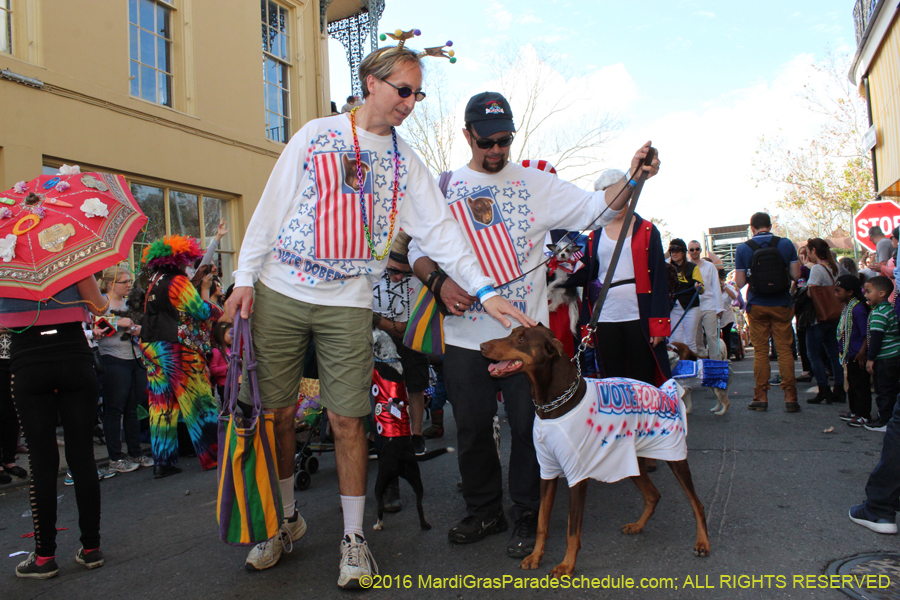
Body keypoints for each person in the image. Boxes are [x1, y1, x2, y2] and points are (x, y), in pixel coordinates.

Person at [225, 46, 533, 587]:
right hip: (281, 289)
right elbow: (271, 206)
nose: (411, 103)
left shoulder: (405, 162)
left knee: (348, 420)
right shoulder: (316, 135)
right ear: (372, 82)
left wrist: (485, 292)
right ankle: (284, 519)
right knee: (276, 416)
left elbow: (444, 236)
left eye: (418, 94)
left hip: (348, 300)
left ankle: (353, 539)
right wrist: (245, 279)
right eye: (403, 90)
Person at [408, 90, 659, 559]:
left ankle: (527, 511)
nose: (496, 150)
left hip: (527, 338)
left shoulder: (536, 183)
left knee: (530, 428)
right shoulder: (443, 187)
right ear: (467, 136)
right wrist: (440, 284)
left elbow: (600, 209)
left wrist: (632, 175)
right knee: (472, 427)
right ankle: (484, 509)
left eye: (504, 140)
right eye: (486, 142)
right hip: (466, 336)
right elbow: (417, 250)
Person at [1, 276, 111, 577]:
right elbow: (99, 306)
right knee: (82, 455)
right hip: (74, 357)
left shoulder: (6, 263)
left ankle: (44, 556)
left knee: (41, 460)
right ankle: (91, 548)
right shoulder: (70, 257)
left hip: (28, 360)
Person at [573, 183, 672, 386]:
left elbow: (659, 279)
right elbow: (587, 281)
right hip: (605, 315)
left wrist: (659, 325)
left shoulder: (647, 230)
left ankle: (645, 418)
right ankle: (620, 419)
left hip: (639, 313)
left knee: (643, 376)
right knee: (612, 377)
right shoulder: (594, 235)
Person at [140, 235, 221, 478]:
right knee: (198, 399)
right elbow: (199, 311)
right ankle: (214, 456)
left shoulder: (154, 281)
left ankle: (163, 461)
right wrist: (212, 305)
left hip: (150, 344)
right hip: (174, 346)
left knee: (161, 403)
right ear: (179, 260)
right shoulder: (177, 282)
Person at [734, 212, 800, 412]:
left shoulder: (744, 248)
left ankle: (761, 396)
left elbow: (740, 282)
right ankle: (790, 397)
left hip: (758, 305)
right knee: (785, 351)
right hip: (781, 303)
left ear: (752, 228)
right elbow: (796, 274)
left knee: (761, 352)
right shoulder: (786, 244)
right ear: (770, 226)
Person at [96, 263, 153, 473]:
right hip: (113, 358)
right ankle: (115, 457)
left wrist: (138, 329)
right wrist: (117, 322)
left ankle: (136, 452)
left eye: (129, 281)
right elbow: (94, 328)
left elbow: (138, 325)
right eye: (124, 282)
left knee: (133, 409)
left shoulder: (130, 303)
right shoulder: (101, 303)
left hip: (134, 357)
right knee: (115, 409)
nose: (129, 285)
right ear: (111, 284)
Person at [804, 238, 845, 405]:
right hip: (834, 315)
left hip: (819, 317)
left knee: (813, 354)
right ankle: (840, 388)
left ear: (813, 250)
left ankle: (823, 388)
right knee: (834, 353)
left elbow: (811, 292)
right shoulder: (836, 266)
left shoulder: (817, 269)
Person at [863, 276, 900, 432]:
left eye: (869, 291)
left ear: (882, 293)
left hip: (884, 358)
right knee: (892, 389)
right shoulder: (888, 309)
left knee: (883, 390)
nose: (865, 295)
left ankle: (884, 420)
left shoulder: (879, 313)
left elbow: (876, 338)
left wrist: (870, 359)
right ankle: (890, 417)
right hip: (894, 355)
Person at [835, 275, 871, 427]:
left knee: (860, 385)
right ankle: (855, 411)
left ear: (850, 292)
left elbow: (865, 333)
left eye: (838, 291)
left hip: (858, 354)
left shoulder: (858, 309)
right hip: (850, 353)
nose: (836, 295)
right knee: (851, 383)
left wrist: (862, 352)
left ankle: (863, 414)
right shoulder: (849, 307)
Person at [667, 238, 704, 352]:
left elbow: (702, 289)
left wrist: (699, 287)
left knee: (689, 341)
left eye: (677, 251)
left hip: (690, 307)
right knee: (676, 340)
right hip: (673, 307)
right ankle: (679, 366)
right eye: (672, 251)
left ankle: (691, 367)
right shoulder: (666, 268)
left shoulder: (692, 267)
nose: (674, 253)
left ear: (683, 252)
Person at [688, 241, 723, 359]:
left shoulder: (710, 266)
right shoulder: (687, 267)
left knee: (711, 336)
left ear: (700, 250)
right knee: (696, 337)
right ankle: (701, 363)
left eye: (697, 249)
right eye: (692, 249)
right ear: (688, 251)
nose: (694, 252)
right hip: (693, 306)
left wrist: (719, 307)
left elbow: (716, 287)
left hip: (709, 305)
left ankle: (715, 362)